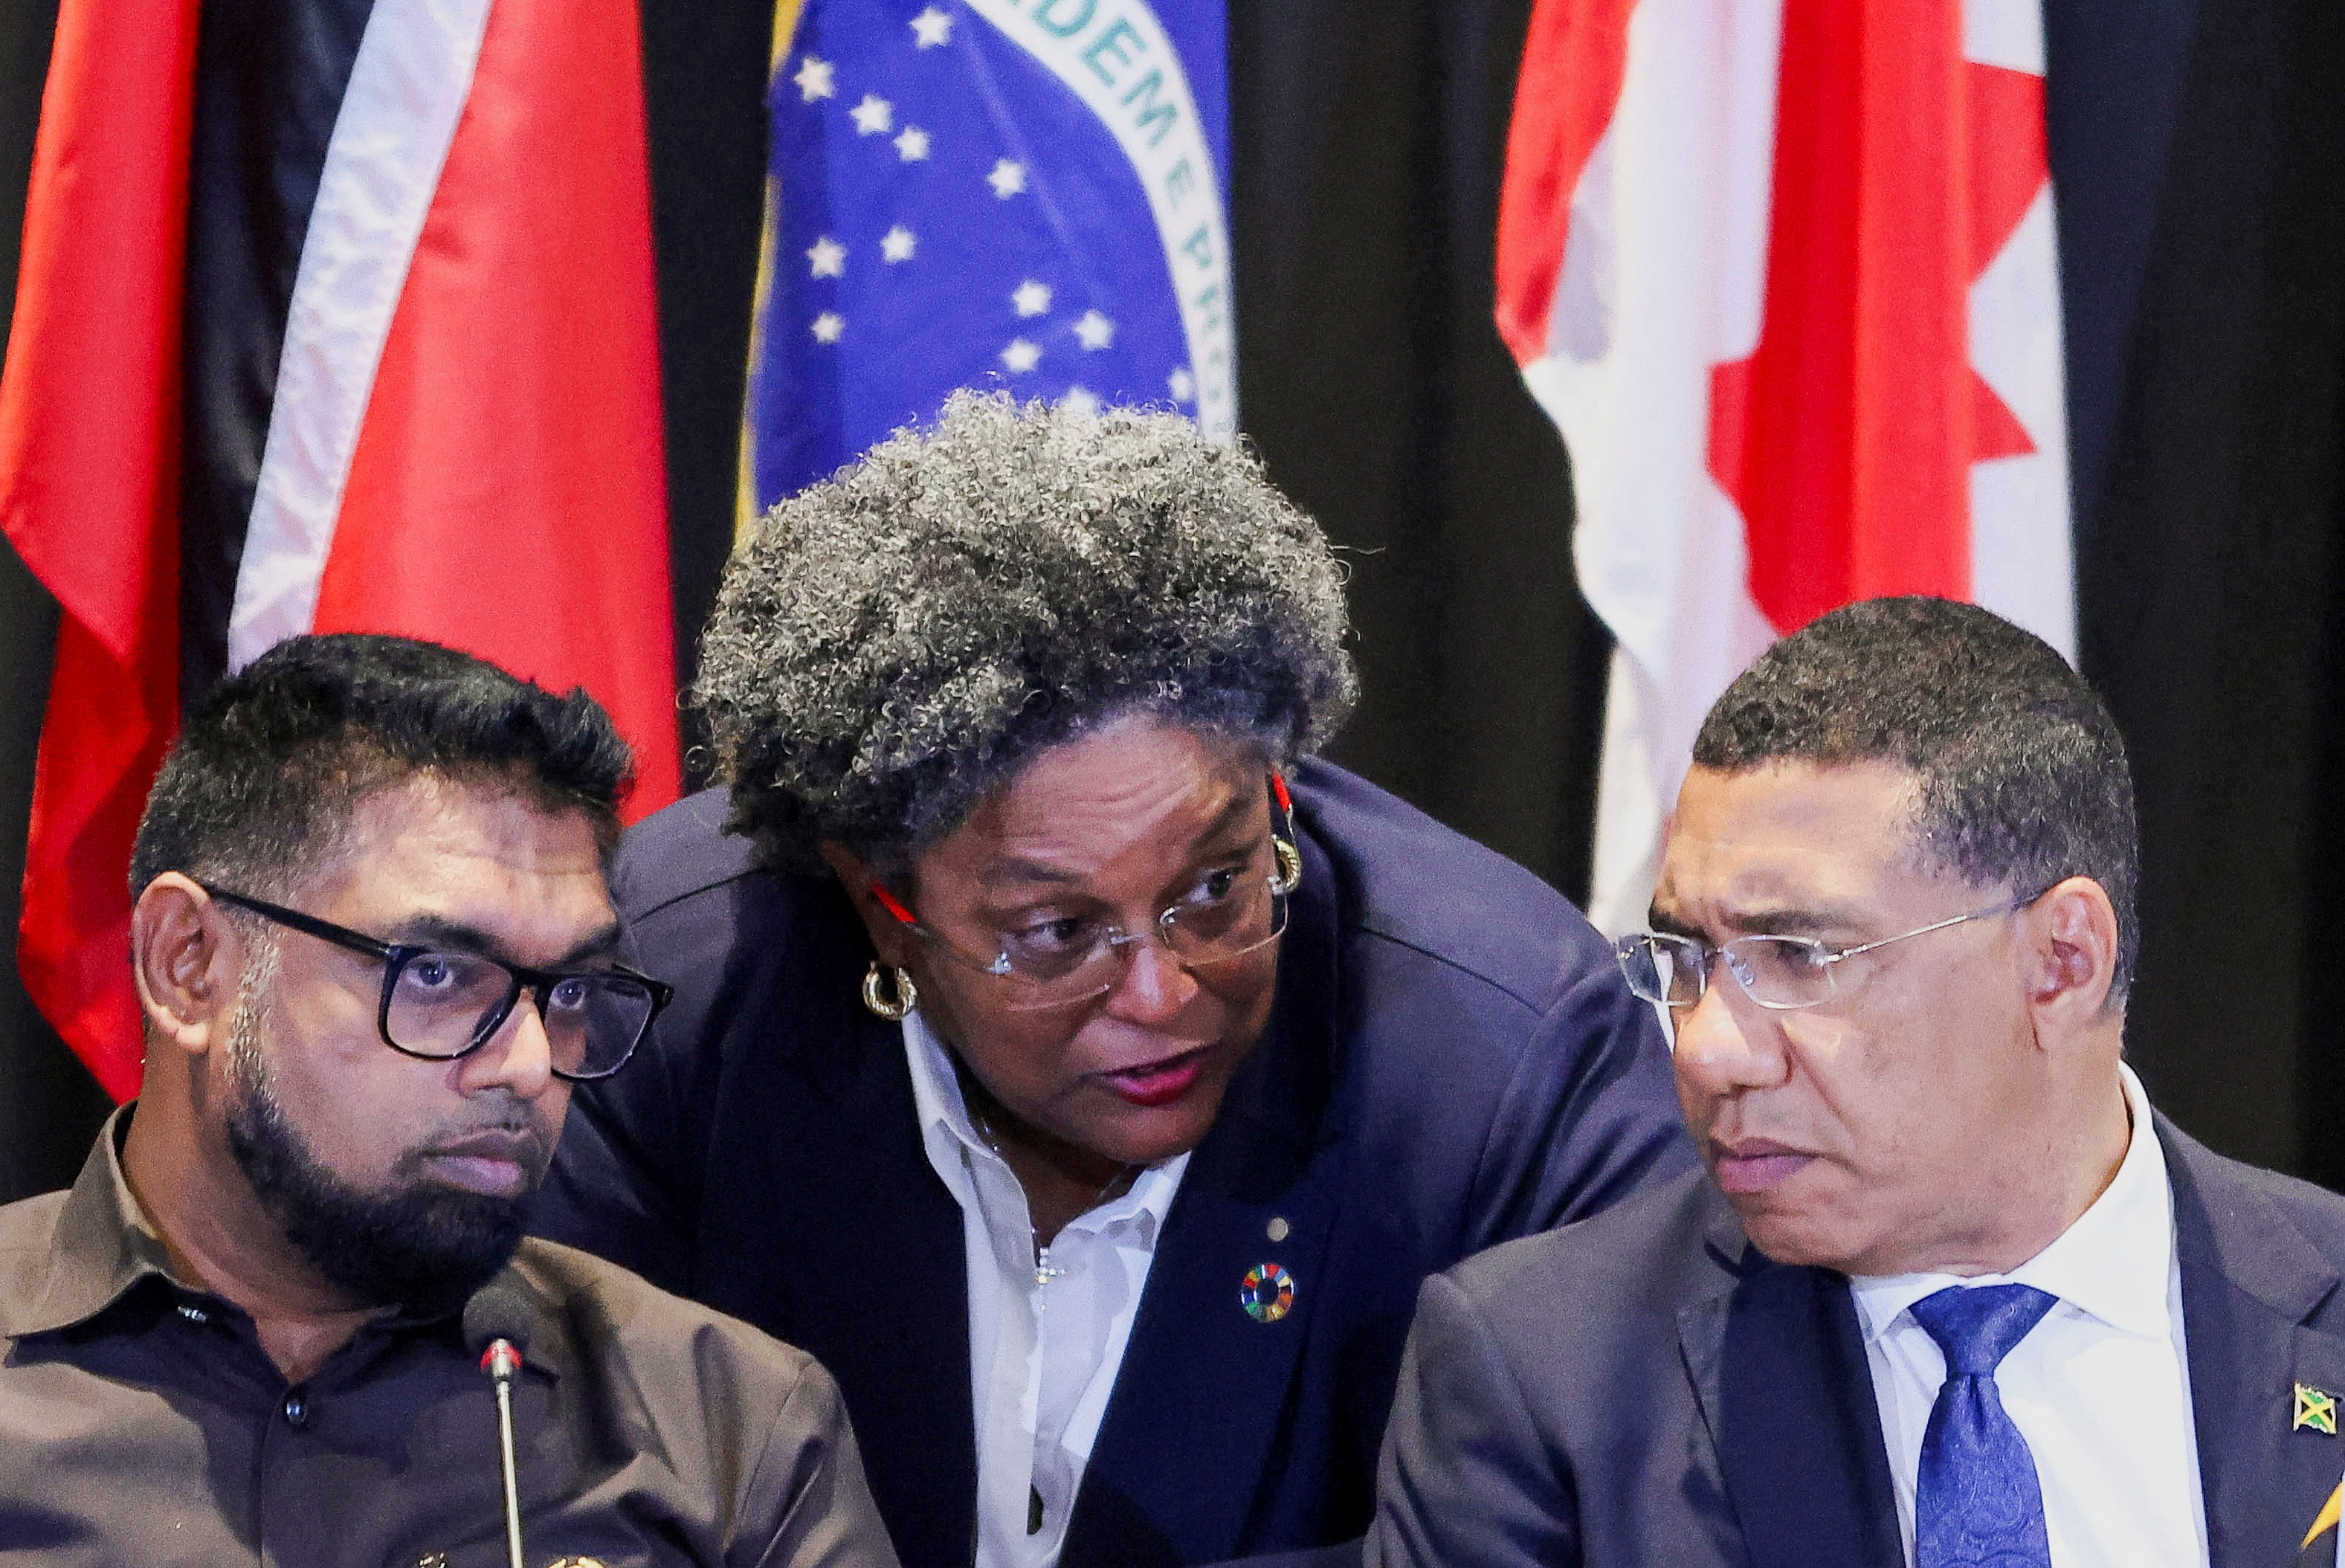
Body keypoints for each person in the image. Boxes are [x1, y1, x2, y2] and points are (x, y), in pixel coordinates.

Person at [532, 393, 1692, 1568]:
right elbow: (532, 1473)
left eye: (1216, 887)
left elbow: (1623, 1525)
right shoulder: (665, 990)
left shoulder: (1506, 1055)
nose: (1161, 994)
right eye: (1056, 932)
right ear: (881, 909)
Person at [1367, 596, 2345, 1568]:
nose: (1705, 1051)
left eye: (1799, 955)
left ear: (2059, 961)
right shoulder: (1543, 1383)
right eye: (1686, 956)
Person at [0, 633, 900, 1567]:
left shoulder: (728, 1431)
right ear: (188, 964)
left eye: (571, 992)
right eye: (435, 972)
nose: (529, 1064)